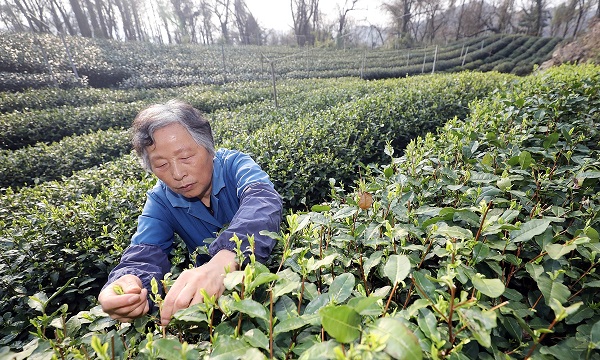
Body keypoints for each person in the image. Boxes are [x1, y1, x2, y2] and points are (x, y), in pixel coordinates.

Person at [98, 99, 283, 326]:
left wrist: (225, 259)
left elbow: (263, 201)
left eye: (185, 157)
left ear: (209, 148)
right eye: (162, 165)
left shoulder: (235, 165)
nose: (177, 174)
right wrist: (127, 283)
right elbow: (145, 252)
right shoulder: (160, 200)